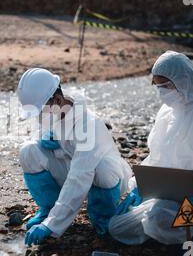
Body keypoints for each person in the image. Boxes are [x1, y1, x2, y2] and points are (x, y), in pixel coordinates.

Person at [108, 51, 193, 256]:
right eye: (157, 86)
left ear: (184, 80)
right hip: (165, 190)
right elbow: (156, 156)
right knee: (117, 227)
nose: (161, 92)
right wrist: (139, 185)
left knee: (155, 219)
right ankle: (166, 223)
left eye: (166, 86)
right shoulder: (166, 112)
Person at [17, 68, 132, 246]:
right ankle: (49, 208)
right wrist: (43, 137)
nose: (38, 117)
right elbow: (40, 133)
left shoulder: (87, 125)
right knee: (28, 150)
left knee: (103, 168)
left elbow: (79, 176)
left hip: (102, 179)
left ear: (57, 100)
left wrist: (52, 225)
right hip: (71, 167)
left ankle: (103, 217)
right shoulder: (54, 109)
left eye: (39, 111)